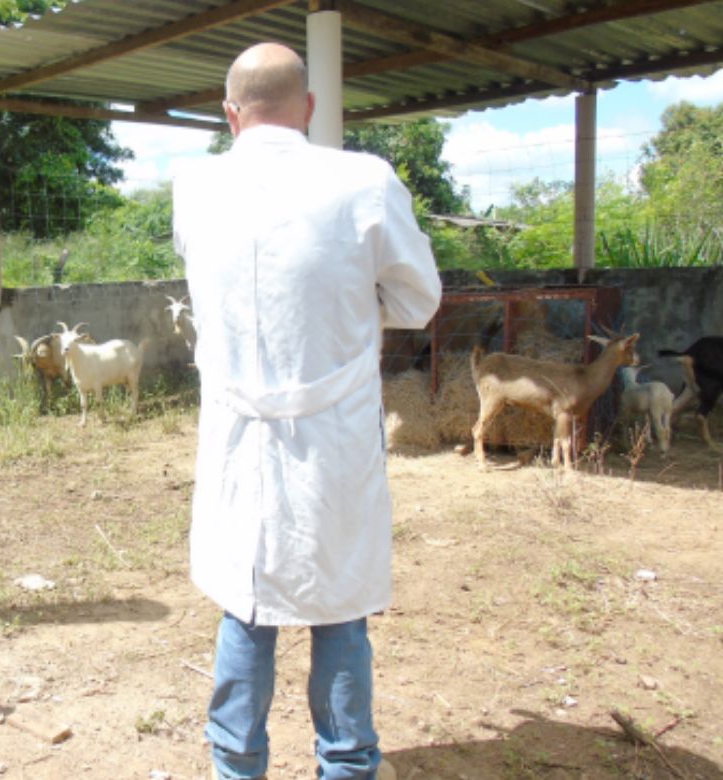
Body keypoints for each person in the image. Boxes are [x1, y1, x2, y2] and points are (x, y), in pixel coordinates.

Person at [173, 43, 442, 780]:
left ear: (230, 114)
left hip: (236, 439)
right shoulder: (364, 180)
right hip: (335, 438)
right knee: (340, 603)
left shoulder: (194, 188)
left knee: (246, 607)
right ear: (311, 108)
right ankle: (349, 766)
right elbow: (419, 301)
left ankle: (236, 767)